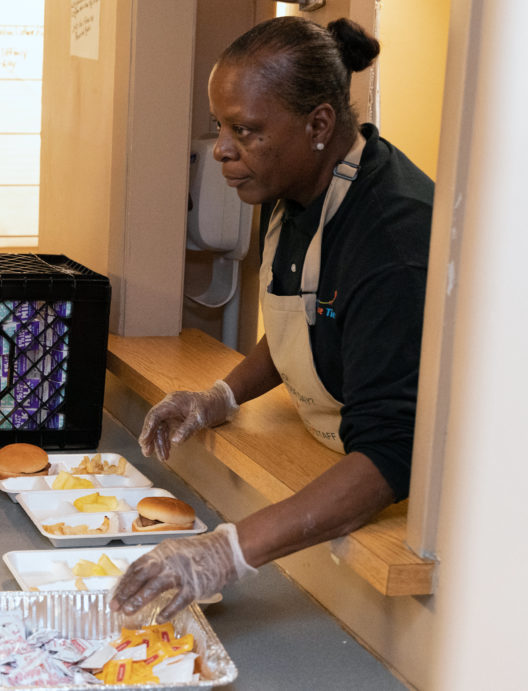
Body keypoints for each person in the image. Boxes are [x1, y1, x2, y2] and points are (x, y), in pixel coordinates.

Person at [111, 16, 433, 621]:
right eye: (221, 127)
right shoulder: (296, 185)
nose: (224, 149)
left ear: (318, 124)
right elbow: (306, 319)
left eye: (246, 129)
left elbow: (392, 455)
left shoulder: (395, 238)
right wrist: (219, 397)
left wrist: (225, 552)